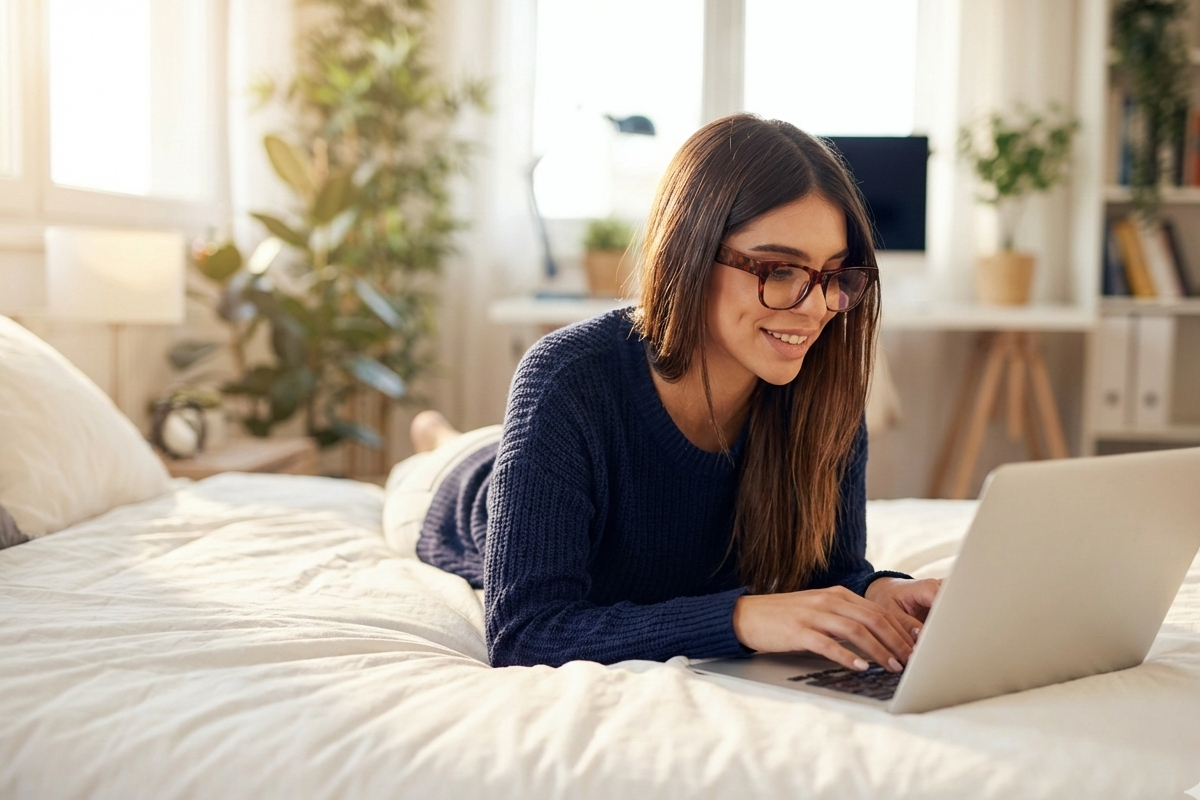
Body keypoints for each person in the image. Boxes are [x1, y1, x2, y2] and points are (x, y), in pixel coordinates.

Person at [393, 114, 941, 672]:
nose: (816, 306)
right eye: (780, 271)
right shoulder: (565, 377)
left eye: (834, 275)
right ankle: (436, 438)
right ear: (692, 251)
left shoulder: (824, 390)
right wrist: (740, 619)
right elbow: (526, 631)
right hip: (453, 493)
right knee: (452, 452)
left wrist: (878, 593)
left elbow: (829, 574)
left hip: (534, 454)